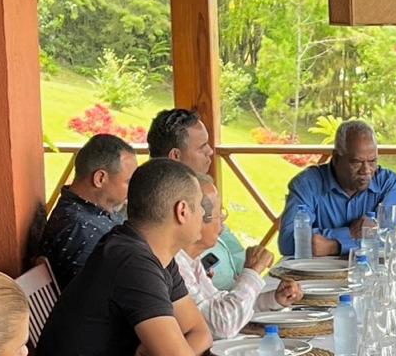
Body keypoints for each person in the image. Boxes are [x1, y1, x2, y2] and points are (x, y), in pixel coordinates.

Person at [36, 158, 213, 356]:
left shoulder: (153, 252)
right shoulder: (131, 260)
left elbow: (200, 330)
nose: (206, 215)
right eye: (202, 206)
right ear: (182, 211)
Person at [177, 175, 303, 339]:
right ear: (197, 220)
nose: (223, 222)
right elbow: (223, 325)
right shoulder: (175, 264)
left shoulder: (191, 260)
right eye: (219, 214)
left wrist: (273, 300)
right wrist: (253, 271)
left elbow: (218, 304)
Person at [277, 120, 396, 257]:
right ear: (336, 158)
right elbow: (287, 242)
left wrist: (335, 246)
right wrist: (349, 233)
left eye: (372, 161)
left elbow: (390, 240)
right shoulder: (306, 184)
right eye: (356, 162)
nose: (366, 170)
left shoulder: (389, 184)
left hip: (370, 273)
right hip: (317, 274)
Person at [148, 108, 245, 290]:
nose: (210, 151)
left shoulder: (205, 192)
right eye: (202, 147)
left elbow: (238, 258)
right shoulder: (159, 213)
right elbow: (212, 314)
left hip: (237, 300)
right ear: (175, 156)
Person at [37, 134, 137, 288]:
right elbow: (94, 298)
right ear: (100, 178)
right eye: (129, 182)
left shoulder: (93, 213)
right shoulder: (78, 228)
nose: (133, 189)